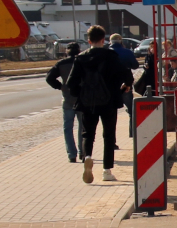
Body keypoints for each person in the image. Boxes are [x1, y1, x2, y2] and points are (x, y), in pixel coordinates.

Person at [65, 25, 133, 184]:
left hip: (87, 103)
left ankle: (87, 156)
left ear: (89, 41)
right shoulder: (111, 56)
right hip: (109, 101)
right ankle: (106, 171)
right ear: (103, 40)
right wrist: (124, 87)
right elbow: (127, 75)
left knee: (87, 134)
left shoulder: (80, 58)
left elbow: (70, 83)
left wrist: (81, 94)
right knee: (108, 135)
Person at [45, 42, 82, 164]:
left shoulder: (61, 64)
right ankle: (83, 152)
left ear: (67, 51)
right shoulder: (83, 61)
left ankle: (71, 154)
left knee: (68, 127)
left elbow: (49, 78)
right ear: (79, 50)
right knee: (83, 127)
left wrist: (60, 86)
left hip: (68, 98)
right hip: (82, 98)